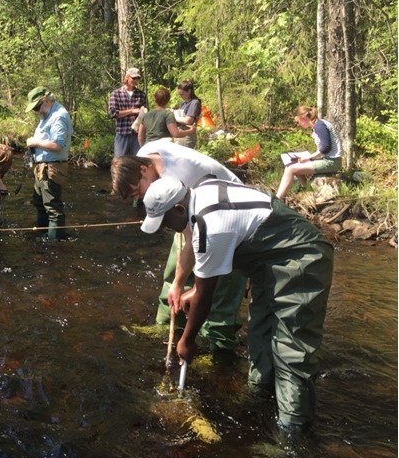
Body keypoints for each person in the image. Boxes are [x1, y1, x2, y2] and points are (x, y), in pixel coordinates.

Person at [139, 175, 333, 433]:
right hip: (270, 263)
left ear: (178, 208)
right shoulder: (199, 193)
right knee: (260, 332)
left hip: (301, 260)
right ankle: (259, 398)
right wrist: (194, 290)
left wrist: (186, 341)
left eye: (164, 221)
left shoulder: (210, 225)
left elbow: (206, 296)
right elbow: (204, 281)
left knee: (290, 349)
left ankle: (292, 434)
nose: (164, 227)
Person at [111, 141, 246, 357]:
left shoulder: (178, 175)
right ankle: (166, 327)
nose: (143, 198)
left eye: (139, 192)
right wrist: (177, 284)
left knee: (219, 290)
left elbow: (196, 240)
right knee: (174, 278)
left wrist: (186, 284)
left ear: (143, 170)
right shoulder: (144, 157)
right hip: (191, 217)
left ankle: (219, 351)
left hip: (227, 221)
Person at [25, 86, 73, 240]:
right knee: (39, 203)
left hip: (51, 168)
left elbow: (58, 145)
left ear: (45, 100)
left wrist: (35, 142)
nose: (36, 111)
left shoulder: (59, 116)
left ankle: (54, 246)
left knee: (53, 209)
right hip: (42, 168)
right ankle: (42, 236)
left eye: (37, 107)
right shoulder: (47, 115)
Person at [276, 105, 342, 200]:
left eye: (297, 122)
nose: (298, 125)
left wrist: (310, 158)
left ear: (303, 118)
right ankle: (307, 189)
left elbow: (326, 148)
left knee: (290, 169)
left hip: (332, 162)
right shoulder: (317, 126)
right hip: (329, 160)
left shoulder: (319, 126)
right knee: (295, 165)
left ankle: (277, 199)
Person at [108, 67, 147, 157]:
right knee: (120, 163)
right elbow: (113, 113)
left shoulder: (141, 95)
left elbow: (145, 115)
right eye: (133, 78)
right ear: (127, 78)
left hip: (137, 135)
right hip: (122, 134)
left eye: (137, 78)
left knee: (137, 163)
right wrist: (132, 111)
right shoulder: (116, 94)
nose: (135, 80)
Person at [172, 79, 201, 148]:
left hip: (187, 135)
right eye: (179, 94)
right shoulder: (183, 103)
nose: (180, 96)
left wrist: (175, 116)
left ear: (189, 91)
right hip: (180, 133)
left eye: (182, 94)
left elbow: (188, 120)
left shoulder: (194, 102)